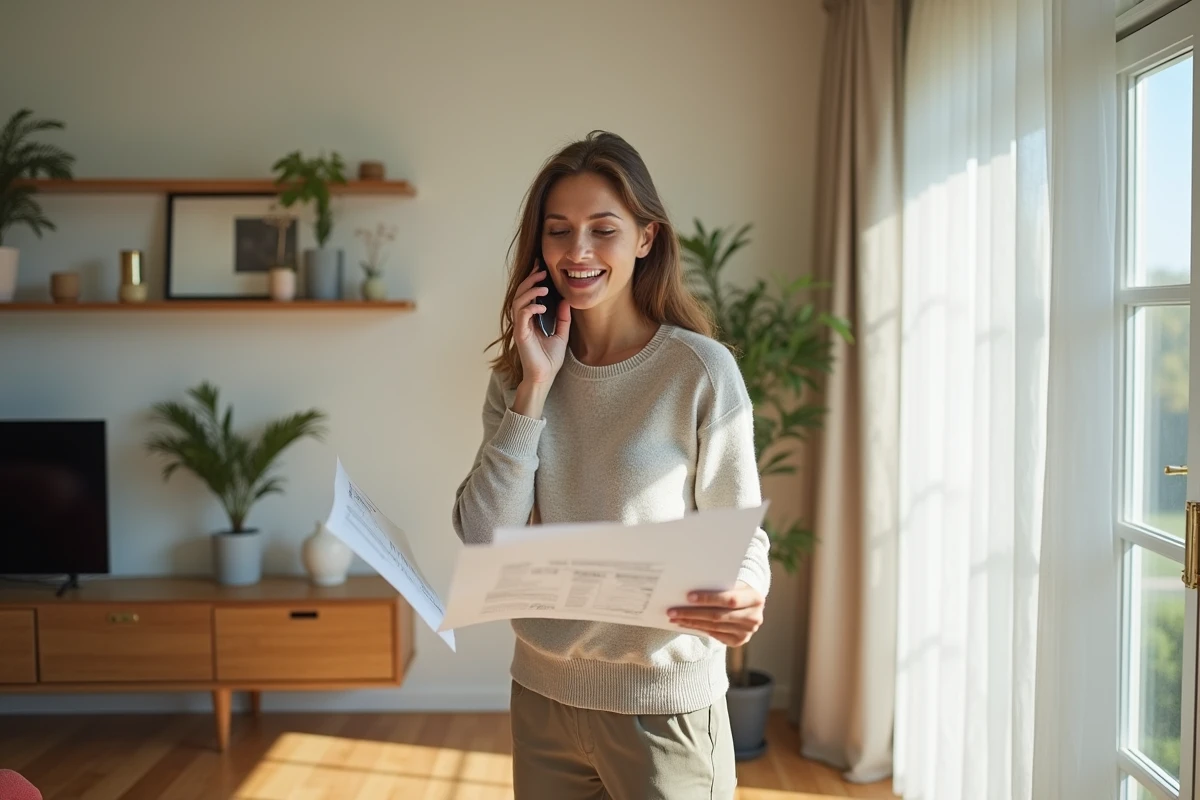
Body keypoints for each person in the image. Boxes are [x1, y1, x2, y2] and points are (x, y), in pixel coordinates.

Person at [451, 130, 771, 800]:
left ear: (646, 239)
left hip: (666, 708)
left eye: (604, 230)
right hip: (542, 699)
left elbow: (740, 530)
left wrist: (747, 592)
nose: (579, 252)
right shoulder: (517, 379)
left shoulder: (699, 371)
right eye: (558, 231)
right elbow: (485, 539)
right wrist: (534, 390)